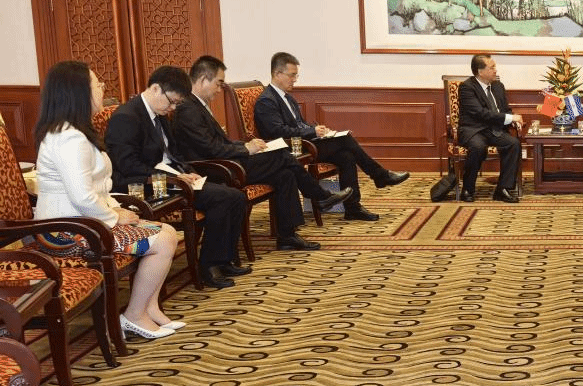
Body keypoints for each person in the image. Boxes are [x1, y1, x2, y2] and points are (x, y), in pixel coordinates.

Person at [32, 61, 182, 339]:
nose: (103, 88)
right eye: (97, 84)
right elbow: (82, 196)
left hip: (83, 221)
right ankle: (134, 316)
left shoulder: (75, 132)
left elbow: (94, 191)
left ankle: (149, 308)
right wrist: (115, 217)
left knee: (168, 233)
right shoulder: (68, 138)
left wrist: (115, 209)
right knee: (162, 241)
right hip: (65, 231)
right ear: (78, 92)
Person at [171, 55, 354, 253]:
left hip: (225, 161)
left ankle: (287, 236)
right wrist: (245, 149)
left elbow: (219, 142)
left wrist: (246, 144)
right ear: (202, 80)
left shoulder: (197, 105)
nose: (219, 89)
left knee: (285, 174)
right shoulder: (188, 109)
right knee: (282, 156)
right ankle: (319, 196)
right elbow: (210, 149)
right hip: (216, 169)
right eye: (218, 83)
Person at [102, 65, 252, 290]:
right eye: (171, 102)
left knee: (237, 197)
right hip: (145, 184)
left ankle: (223, 260)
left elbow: (174, 153)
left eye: (176, 104)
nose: (172, 108)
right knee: (223, 198)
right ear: (156, 89)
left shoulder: (160, 113)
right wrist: (174, 177)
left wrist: (186, 171)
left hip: (171, 178)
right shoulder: (126, 117)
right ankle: (209, 267)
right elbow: (128, 166)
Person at [254, 52, 410, 218]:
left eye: (296, 75)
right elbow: (277, 132)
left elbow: (299, 124)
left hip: (303, 143)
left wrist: (317, 129)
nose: (295, 80)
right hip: (290, 149)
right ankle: (380, 175)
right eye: (292, 75)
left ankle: (353, 208)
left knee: (346, 156)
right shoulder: (267, 100)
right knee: (345, 140)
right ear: (277, 74)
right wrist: (311, 132)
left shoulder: (288, 98)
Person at [457, 53, 523, 203]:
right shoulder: (467, 87)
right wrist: (509, 118)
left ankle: (503, 189)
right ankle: (468, 189)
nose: (495, 70)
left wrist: (513, 119)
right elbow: (480, 113)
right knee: (478, 147)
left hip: (494, 129)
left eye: (495, 67)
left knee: (513, 144)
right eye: (492, 67)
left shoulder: (498, 86)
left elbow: (505, 109)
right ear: (480, 72)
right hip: (474, 130)